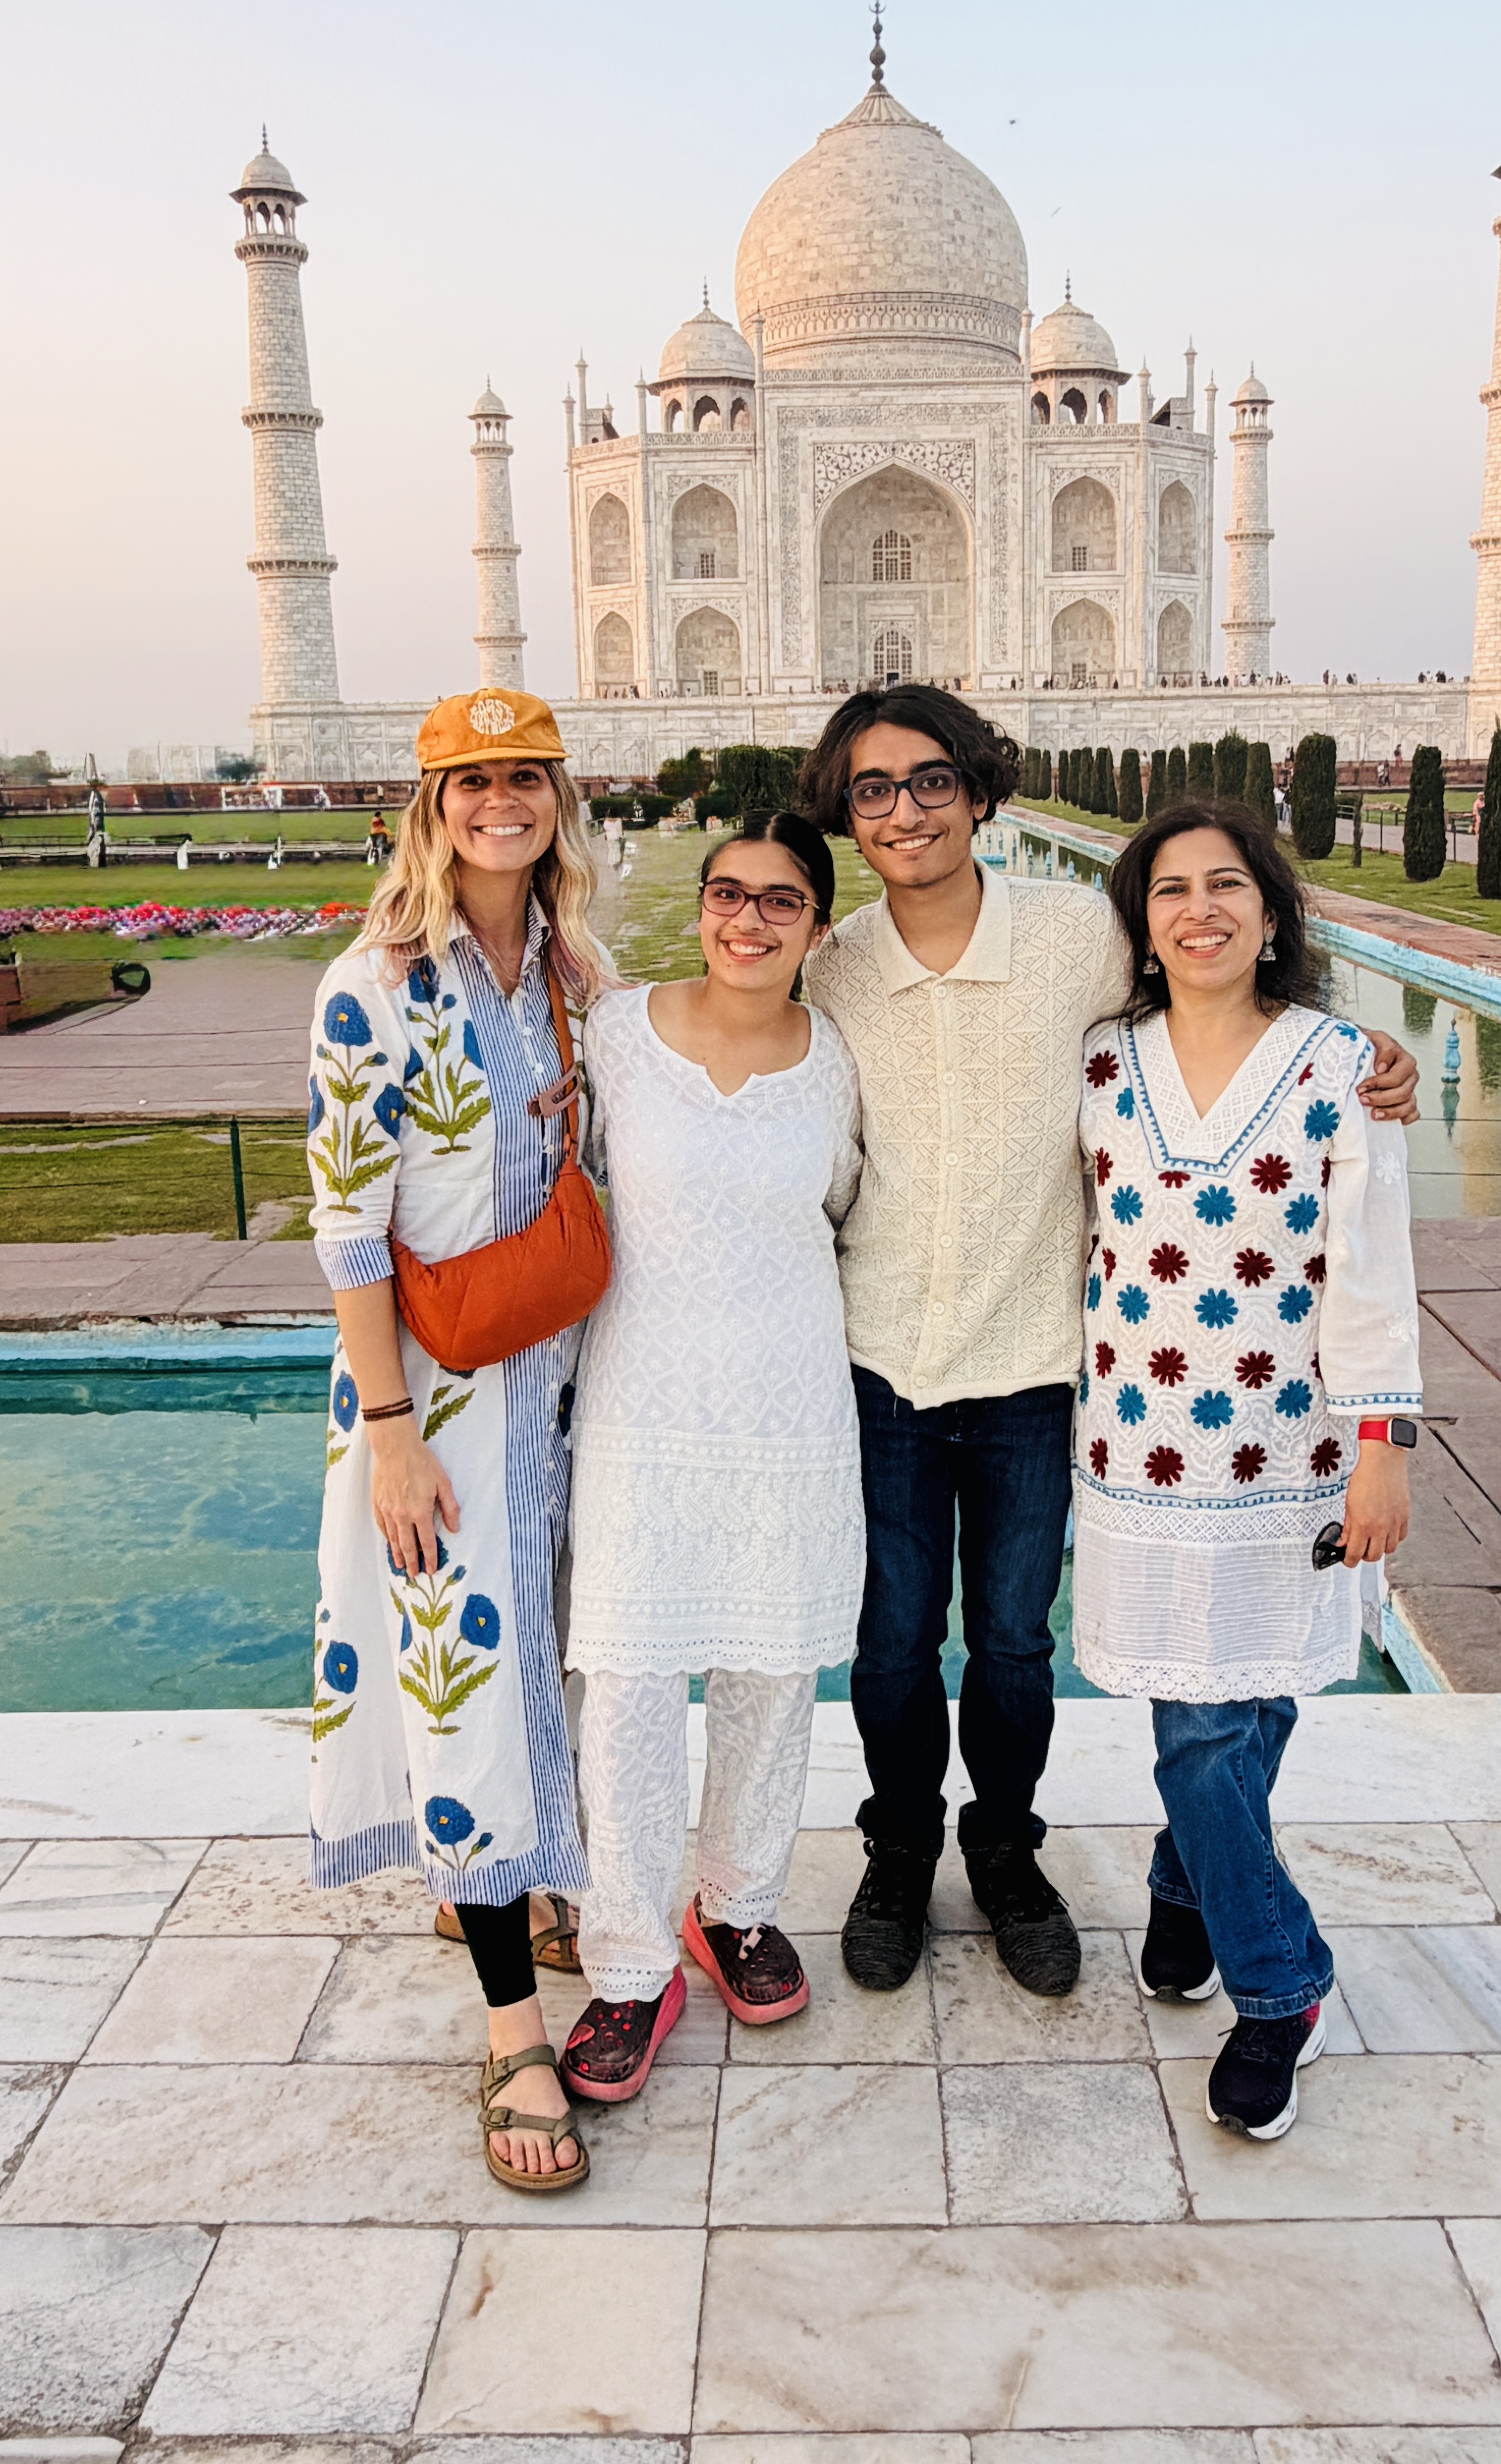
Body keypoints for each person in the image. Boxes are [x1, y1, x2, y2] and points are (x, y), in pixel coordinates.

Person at [795, 686, 1419, 2001]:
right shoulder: (833, 959)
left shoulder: (1074, 930)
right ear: (843, 814)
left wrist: (1367, 1053)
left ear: (975, 791)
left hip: (1035, 1367)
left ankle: (1005, 1852)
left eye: (927, 781)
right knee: (896, 1640)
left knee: (1013, 1647)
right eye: (871, 788)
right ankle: (899, 1850)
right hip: (882, 1361)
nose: (903, 809)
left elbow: (1219, 998)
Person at [1077, 798, 1420, 2139]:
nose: (1198, 910)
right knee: (1204, 1715)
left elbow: (1371, 1270)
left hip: (1290, 1448)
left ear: (1270, 915)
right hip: (1135, 1452)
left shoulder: (1337, 1066)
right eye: (1170, 890)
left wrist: (1381, 1443)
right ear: (1142, 923)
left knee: (1225, 1713)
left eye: (1227, 886)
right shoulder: (1102, 1064)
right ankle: (1196, 1889)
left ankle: (1274, 1982)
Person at [304, 688, 604, 2195]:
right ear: (433, 809)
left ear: (556, 800)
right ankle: (512, 2034)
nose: (502, 804)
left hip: (560, 1393)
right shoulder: (372, 985)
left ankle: (518, 1892)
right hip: (435, 1401)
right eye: (472, 782)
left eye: (524, 780)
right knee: (467, 1694)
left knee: (541, 1668)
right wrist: (386, 1432)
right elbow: (348, 1229)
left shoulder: (568, 970)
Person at [559, 810, 863, 2097]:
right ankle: (627, 1965)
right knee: (626, 1690)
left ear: (817, 925)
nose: (747, 922)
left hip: (789, 1406)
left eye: (779, 902)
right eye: (727, 896)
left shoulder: (839, 1058)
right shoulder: (616, 1037)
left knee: (767, 1674)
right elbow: (557, 1179)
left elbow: (851, 1209)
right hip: (642, 1404)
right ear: (699, 906)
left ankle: (732, 1907)